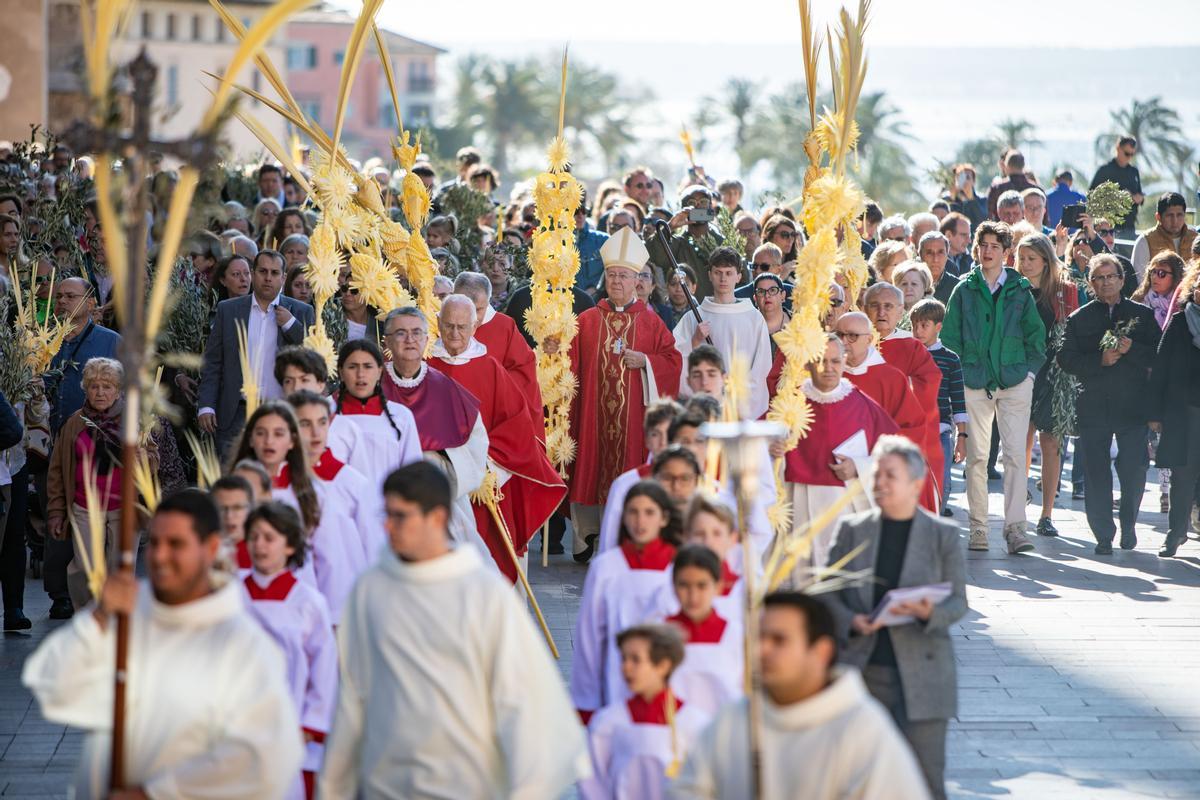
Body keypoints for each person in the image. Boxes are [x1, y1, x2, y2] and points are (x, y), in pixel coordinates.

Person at [320, 461, 588, 796]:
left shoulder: (485, 595)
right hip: (385, 779)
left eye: (401, 516)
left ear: (438, 518)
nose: (388, 527)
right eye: (385, 515)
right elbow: (353, 693)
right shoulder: (370, 588)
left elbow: (523, 700)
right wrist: (333, 785)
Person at [23, 489, 303, 798]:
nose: (159, 556)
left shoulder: (242, 643)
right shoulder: (126, 612)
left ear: (210, 548)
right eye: (154, 542)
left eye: (176, 545)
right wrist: (99, 618)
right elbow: (52, 685)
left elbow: (261, 754)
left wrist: (155, 793)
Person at [668, 591, 931, 800]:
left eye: (779, 640)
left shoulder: (862, 730)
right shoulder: (732, 719)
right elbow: (687, 789)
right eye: (759, 637)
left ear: (821, 651)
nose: (762, 650)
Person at [823, 436, 968, 800]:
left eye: (891, 475)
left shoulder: (943, 535)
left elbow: (958, 602)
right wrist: (850, 620)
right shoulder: (852, 530)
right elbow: (825, 592)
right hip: (863, 669)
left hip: (923, 674)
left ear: (916, 484)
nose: (880, 482)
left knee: (924, 777)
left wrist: (928, 612)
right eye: (877, 474)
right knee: (859, 778)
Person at [550, 227, 681, 560]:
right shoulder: (587, 320)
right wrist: (553, 349)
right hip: (592, 420)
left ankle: (626, 536)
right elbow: (565, 365)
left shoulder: (651, 324)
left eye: (623, 276)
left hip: (633, 422)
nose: (616, 281)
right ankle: (586, 539)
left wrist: (647, 362)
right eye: (611, 275)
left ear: (637, 281)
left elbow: (673, 361)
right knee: (590, 470)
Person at [426, 295, 567, 582]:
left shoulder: (489, 367)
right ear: (438, 323)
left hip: (483, 483)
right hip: (432, 481)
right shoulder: (425, 363)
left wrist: (489, 467)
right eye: (449, 326)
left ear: (475, 326)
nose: (454, 334)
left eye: (462, 327)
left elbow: (517, 424)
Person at [942, 221, 1045, 554]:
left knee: (1015, 455)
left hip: (1015, 381)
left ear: (1005, 252)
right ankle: (978, 528)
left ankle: (1016, 528)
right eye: (982, 245)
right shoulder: (964, 289)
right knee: (977, 457)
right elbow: (949, 339)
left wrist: (1029, 374)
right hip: (974, 382)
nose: (987, 251)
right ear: (976, 249)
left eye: (994, 246)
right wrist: (962, 374)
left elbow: (1037, 338)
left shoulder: (1019, 288)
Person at [770, 334, 900, 567]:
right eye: (821, 360)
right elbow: (758, 445)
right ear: (809, 363)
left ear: (845, 361)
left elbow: (894, 458)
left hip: (847, 507)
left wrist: (859, 466)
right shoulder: (789, 404)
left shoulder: (864, 405)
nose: (828, 368)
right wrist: (771, 449)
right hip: (799, 506)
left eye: (835, 361)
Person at [1058, 254, 1157, 554]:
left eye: (1111, 276)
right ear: (1091, 283)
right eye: (1099, 278)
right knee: (1096, 472)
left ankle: (1128, 524)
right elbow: (1066, 358)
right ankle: (1103, 534)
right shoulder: (1080, 318)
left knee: (1134, 468)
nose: (1106, 282)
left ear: (1122, 279)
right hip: (1094, 407)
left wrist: (1132, 349)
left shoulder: (1142, 315)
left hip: (1132, 407)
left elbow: (1159, 356)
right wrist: (1098, 361)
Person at [240, 501, 337, 799]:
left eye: (269, 538)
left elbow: (324, 671)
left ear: (291, 546)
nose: (260, 546)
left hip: (291, 727)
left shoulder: (308, 602)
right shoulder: (230, 595)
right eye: (254, 537)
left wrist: (309, 726)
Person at [46, 357, 158, 612]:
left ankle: (114, 620)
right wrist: (55, 511)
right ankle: (87, 616)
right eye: (94, 386)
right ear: (85, 388)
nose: (100, 392)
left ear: (118, 390)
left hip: (124, 507)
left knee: (119, 568)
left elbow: (153, 461)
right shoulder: (75, 423)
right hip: (85, 506)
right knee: (85, 568)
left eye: (107, 386)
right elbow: (55, 470)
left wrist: (143, 458)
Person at [571, 481, 682, 721]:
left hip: (670, 688)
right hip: (617, 676)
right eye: (633, 512)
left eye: (649, 512)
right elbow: (589, 636)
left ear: (664, 518)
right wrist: (586, 699)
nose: (640, 522)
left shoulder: (679, 567)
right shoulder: (606, 567)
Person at [378, 307, 492, 540]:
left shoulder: (446, 388)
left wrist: (437, 462)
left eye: (416, 333)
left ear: (427, 339)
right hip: (382, 493)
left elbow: (476, 443)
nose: (410, 339)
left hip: (438, 493)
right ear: (386, 341)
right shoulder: (371, 385)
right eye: (400, 333)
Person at [198, 250, 316, 456]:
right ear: (253, 273)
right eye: (262, 271)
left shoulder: (300, 312)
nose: (268, 278)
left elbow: (313, 359)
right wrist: (206, 405)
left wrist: (290, 325)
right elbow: (213, 362)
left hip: (281, 410)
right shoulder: (229, 309)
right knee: (230, 478)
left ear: (284, 277)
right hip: (236, 412)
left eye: (274, 272)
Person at [580, 623, 708, 800]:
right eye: (624, 658)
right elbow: (592, 785)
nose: (626, 667)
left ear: (663, 665)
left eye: (636, 659)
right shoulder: (607, 723)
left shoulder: (694, 723)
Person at [1015, 233, 1081, 537]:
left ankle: (1047, 513)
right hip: (1022, 370)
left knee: (1051, 443)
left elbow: (1071, 330)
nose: (1026, 264)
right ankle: (1020, 501)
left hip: (1054, 372)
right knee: (1021, 442)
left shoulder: (1064, 291)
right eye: (1022, 258)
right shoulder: (1014, 289)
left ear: (1045, 260)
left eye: (1032, 259)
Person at [864, 283, 944, 511]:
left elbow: (928, 381)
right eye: (875, 306)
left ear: (901, 311)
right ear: (864, 307)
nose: (881, 313)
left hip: (899, 429)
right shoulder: (854, 340)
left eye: (888, 306)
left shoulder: (911, 346)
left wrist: (893, 389)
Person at [673, 247, 773, 418]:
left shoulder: (754, 318)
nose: (723, 278)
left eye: (728, 273)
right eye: (718, 272)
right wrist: (694, 341)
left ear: (739, 276)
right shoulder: (693, 318)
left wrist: (737, 396)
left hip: (740, 405)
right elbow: (674, 359)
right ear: (710, 274)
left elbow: (761, 369)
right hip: (704, 405)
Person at [1148, 259, 1200, 557]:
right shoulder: (1181, 322)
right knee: (1183, 474)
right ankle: (1175, 532)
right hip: (1186, 412)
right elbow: (1161, 367)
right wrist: (1155, 414)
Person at [1133, 252, 1185, 513]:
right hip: (1140, 378)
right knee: (1138, 440)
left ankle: (1166, 493)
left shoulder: (1181, 308)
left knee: (1164, 438)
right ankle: (1134, 493)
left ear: (1175, 278)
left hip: (1166, 380)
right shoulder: (1139, 302)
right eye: (1153, 271)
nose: (1155, 277)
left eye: (1162, 273)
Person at [662, 544, 744, 712]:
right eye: (684, 585)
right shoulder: (659, 634)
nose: (693, 596)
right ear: (673, 585)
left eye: (702, 585)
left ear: (718, 586)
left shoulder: (735, 635)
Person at [595, 398, 682, 555]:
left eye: (670, 435)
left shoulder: (696, 485)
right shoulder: (625, 485)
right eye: (656, 434)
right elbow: (609, 541)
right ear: (647, 440)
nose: (663, 442)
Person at [455, 271, 543, 424]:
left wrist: (493, 388)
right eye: (465, 307)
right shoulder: (438, 323)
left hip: (492, 414)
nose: (471, 317)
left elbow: (524, 370)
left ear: (488, 301)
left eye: (478, 309)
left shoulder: (504, 327)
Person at [909, 300, 967, 516]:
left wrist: (962, 437)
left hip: (941, 431)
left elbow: (958, 400)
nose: (918, 331)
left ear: (938, 327)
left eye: (924, 325)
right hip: (911, 432)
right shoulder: (909, 354)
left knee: (942, 485)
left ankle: (934, 526)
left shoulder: (951, 359)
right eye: (914, 325)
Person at [47, 278, 121, 435]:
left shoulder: (111, 341)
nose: (62, 301)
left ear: (90, 304)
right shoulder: (40, 341)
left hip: (92, 439)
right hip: (45, 439)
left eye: (70, 296)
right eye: (58, 296)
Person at [647, 186, 725, 300]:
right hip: (685, 311)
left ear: (710, 207)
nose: (698, 206)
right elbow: (652, 253)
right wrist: (670, 227)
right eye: (692, 202)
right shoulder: (675, 243)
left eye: (703, 201)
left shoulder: (723, 244)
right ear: (683, 208)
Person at [1131, 192, 1196, 281]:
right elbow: (1139, 281)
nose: (1175, 221)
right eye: (1170, 215)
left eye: (1179, 215)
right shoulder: (1145, 241)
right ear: (1158, 217)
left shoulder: (1195, 239)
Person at [1090, 136, 1144, 234]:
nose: (1129, 157)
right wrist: (1118, 195)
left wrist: (1139, 198)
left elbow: (1139, 194)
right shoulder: (1105, 170)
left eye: (1132, 154)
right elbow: (1092, 195)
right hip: (1107, 228)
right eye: (1127, 154)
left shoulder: (1134, 172)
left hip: (1129, 227)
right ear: (1118, 148)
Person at [210, 473, 255, 572]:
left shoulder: (262, 553)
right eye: (222, 508)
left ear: (251, 509)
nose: (229, 515)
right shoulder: (201, 553)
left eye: (237, 508)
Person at [987, 150, 1035, 220]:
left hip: (1001, 230)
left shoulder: (997, 188)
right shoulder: (1036, 189)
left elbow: (989, 216)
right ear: (1023, 166)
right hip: (1029, 230)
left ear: (1006, 165)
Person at [916, 231, 959, 304]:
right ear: (920, 255)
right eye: (929, 253)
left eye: (940, 252)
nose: (935, 259)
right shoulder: (910, 283)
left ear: (947, 255)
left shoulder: (957, 288)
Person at [946, 163, 987, 232]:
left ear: (973, 181)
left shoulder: (982, 199)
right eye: (961, 178)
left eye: (967, 177)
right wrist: (952, 199)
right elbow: (947, 223)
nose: (964, 181)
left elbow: (982, 221)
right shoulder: (948, 198)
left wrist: (971, 199)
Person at [940, 212, 973, 277]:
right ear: (948, 235)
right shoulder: (935, 260)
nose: (969, 241)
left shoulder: (972, 262)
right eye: (963, 235)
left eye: (969, 236)